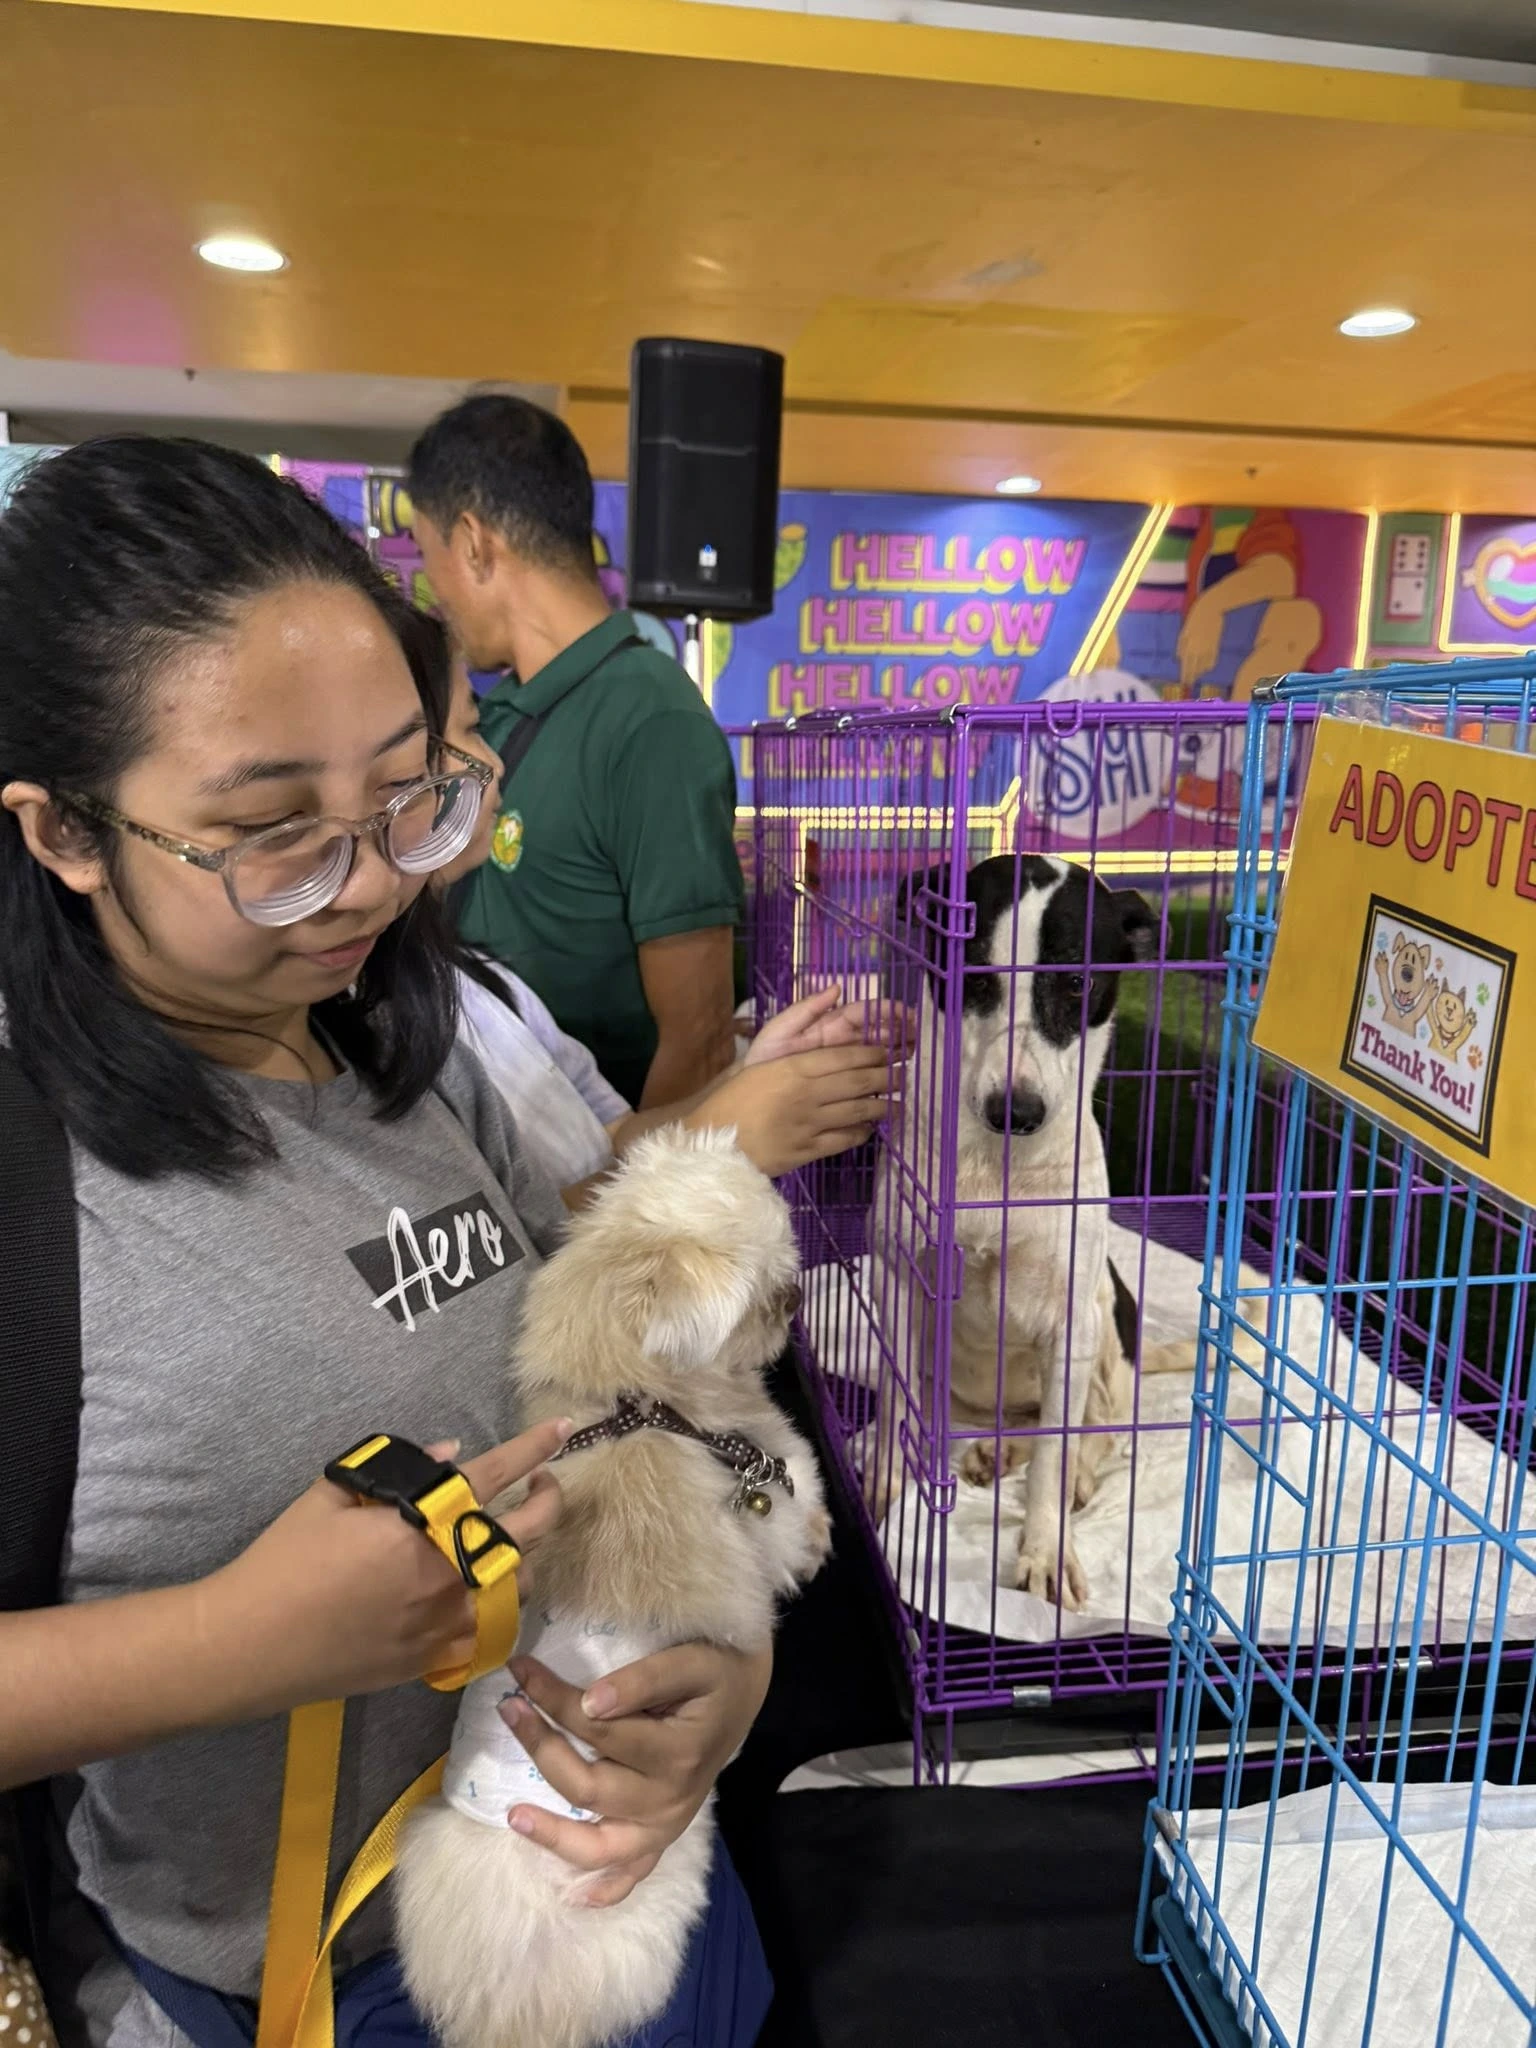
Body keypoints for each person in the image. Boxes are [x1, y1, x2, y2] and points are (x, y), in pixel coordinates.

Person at [0, 438, 776, 2047]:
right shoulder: (34, 1182)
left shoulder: (389, 1043)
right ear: (66, 834)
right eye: (275, 833)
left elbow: (589, 1406)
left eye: (411, 794)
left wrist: (720, 1668)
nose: (369, 888)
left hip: (616, 1890)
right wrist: (238, 1644)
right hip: (320, 1976)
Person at [395, 607, 903, 1194]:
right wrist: (721, 1138)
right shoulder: (389, 1032)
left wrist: (751, 1079)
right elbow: (509, 1241)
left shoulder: (480, 982)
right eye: (469, 730)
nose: (495, 760)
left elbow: (607, 1137)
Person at [407, 394, 743, 1111]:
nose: (433, 588)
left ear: (472, 543)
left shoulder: (650, 717)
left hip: (597, 1170)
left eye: (427, 553)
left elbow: (701, 1037)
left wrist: (621, 1206)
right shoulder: (490, 711)